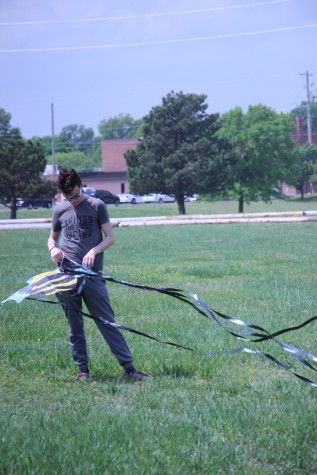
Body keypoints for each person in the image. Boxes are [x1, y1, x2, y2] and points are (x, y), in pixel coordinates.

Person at [47, 167, 150, 381]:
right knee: (74, 326)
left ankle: (129, 370)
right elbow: (52, 238)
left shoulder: (97, 205)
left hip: (92, 276)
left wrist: (94, 251)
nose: (73, 200)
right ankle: (83, 371)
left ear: (81, 186)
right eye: (68, 197)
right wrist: (53, 249)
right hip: (66, 275)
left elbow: (110, 237)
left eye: (75, 195)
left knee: (107, 322)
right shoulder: (59, 209)